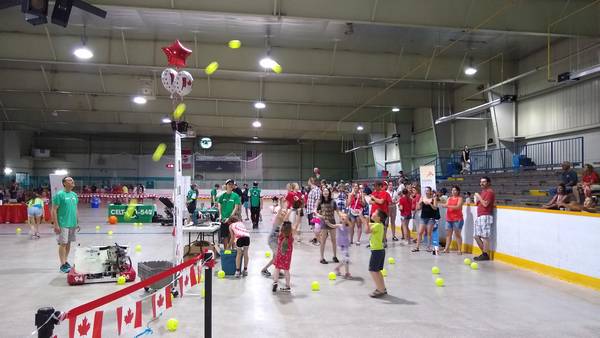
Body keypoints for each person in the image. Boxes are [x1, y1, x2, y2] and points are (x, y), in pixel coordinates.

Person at [52, 177, 80, 273]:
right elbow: (54, 210)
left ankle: (65, 261)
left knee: (68, 243)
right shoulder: (59, 195)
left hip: (72, 223)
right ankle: (62, 264)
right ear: (64, 183)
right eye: (69, 180)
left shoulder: (74, 195)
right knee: (63, 243)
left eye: (72, 180)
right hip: (63, 223)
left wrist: (77, 222)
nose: (72, 181)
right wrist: (56, 224)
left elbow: (75, 209)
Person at [261, 208, 290, 277]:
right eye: (282, 213)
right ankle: (272, 270)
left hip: (277, 241)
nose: (283, 214)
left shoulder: (284, 223)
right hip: (272, 240)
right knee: (278, 256)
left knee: (275, 258)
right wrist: (282, 206)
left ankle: (274, 270)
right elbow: (279, 213)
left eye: (284, 213)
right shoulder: (276, 221)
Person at [473, 176, 495, 261]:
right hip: (480, 215)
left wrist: (479, 196)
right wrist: (477, 198)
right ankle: (485, 254)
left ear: (488, 183)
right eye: (481, 182)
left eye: (484, 182)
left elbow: (485, 204)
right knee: (476, 236)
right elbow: (478, 203)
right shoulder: (483, 192)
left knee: (485, 236)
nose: (481, 183)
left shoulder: (489, 192)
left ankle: (485, 254)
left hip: (486, 215)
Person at [366, 210, 387, 298]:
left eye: (374, 213)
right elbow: (367, 225)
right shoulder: (378, 224)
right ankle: (383, 288)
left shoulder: (378, 225)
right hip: (380, 251)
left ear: (378, 218)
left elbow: (367, 231)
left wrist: (366, 222)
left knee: (372, 270)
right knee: (377, 271)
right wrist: (361, 216)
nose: (372, 213)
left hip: (377, 252)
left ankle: (380, 290)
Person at [316, 187, 338, 264]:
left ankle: (335, 256)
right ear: (322, 193)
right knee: (323, 240)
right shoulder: (320, 202)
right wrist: (320, 217)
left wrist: (342, 217)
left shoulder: (333, 202)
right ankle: (322, 258)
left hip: (332, 221)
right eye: (324, 191)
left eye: (327, 191)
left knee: (333, 240)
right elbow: (316, 212)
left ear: (329, 193)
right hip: (323, 222)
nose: (325, 192)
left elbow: (337, 211)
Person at [217, 179, 242, 250]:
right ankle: (226, 251)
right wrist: (220, 215)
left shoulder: (235, 196)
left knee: (232, 235)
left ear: (234, 186)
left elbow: (236, 208)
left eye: (232, 184)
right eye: (229, 184)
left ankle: (233, 250)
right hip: (224, 219)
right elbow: (220, 204)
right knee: (225, 236)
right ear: (226, 185)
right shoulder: (222, 195)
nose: (230, 186)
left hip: (232, 219)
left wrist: (230, 217)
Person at [412, 187, 437, 253]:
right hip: (423, 217)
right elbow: (418, 208)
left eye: (428, 190)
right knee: (420, 232)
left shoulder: (433, 198)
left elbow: (435, 208)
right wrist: (419, 203)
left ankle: (428, 247)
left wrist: (429, 204)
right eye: (425, 190)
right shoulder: (422, 197)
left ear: (430, 191)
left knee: (429, 233)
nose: (426, 192)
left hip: (431, 218)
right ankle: (417, 247)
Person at [441, 186, 464, 254]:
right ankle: (446, 248)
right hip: (449, 219)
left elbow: (458, 207)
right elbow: (445, 204)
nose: (453, 192)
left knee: (457, 235)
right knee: (448, 235)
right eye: (452, 190)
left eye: (455, 190)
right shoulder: (449, 198)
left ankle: (459, 249)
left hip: (457, 219)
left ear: (458, 191)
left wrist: (447, 206)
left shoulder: (460, 198)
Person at [272, 220, 294, 293]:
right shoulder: (291, 237)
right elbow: (295, 227)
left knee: (277, 268)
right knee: (286, 270)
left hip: (280, 255)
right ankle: (287, 286)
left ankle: (275, 282)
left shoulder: (280, 235)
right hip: (287, 257)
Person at [369, 182, 392, 247]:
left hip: (381, 214)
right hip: (373, 213)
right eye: (374, 186)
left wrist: (374, 198)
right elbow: (370, 202)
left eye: (375, 186)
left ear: (380, 186)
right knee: (372, 228)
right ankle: (372, 242)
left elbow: (381, 202)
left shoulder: (384, 193)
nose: (374, 187)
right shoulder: (374, 193)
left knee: (382, 229)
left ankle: (384, 242)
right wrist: (376, 200)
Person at [333, 213, 352, 279]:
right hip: (341, 245)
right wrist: (326, 222)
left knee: (345, 259)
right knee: (346, 259)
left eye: (345, 217)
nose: (343, 218)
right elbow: (332, 226)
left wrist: (346, 220)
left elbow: (351, 225)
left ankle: (337, 268)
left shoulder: (348, 226)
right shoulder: (339, 225)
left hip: (346, 245)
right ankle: (347, 273)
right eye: (342, 217)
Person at [306, 177, 322, 245]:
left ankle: (319, 241)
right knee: (313, 226)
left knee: (316, 227)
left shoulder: (316, 189)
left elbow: (318, 200)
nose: (308, 182)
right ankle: (315, 238)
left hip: (314, 212)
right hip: (310, 210)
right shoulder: (312, 189)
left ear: (311, 181)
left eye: (308, 181)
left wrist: (315, 209)